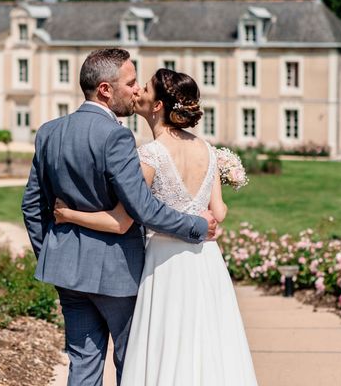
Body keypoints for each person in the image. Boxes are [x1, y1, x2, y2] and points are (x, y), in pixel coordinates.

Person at [21, 49, 217, 386]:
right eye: (129, 82)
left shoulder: (49, 131)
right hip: (118, 275)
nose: (136, 89)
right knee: (132, 361)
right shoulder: (116, 136)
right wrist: (196, 226)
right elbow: (142, 208)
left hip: (67, 272)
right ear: (105, 90)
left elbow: (32, 206)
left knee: (83, 365)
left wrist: (51, 254)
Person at [54, 68, 258, 386]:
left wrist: (68, 215)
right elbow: (218, 211)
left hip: (166, 262)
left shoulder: (150, 155)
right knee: (207, 342)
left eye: (145, 88)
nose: (137, 92)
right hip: (206, 260)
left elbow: (122, 220)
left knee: (167, 343)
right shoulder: (208, 150)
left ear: (159, 105)